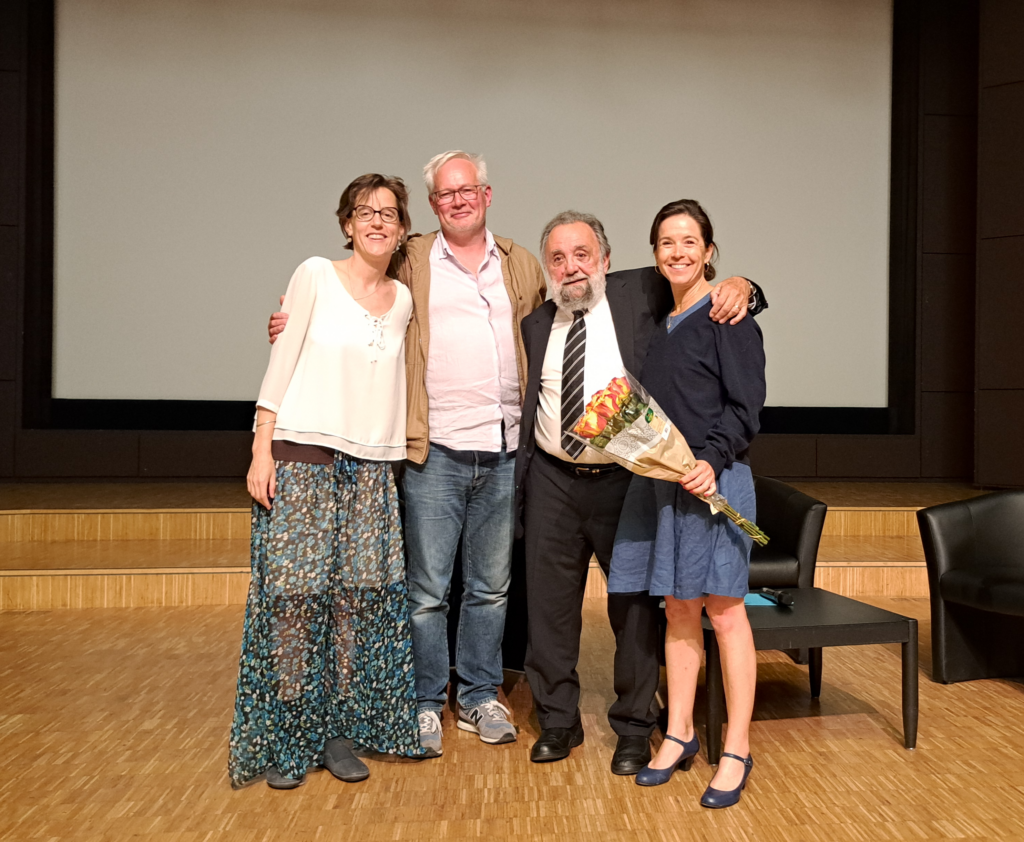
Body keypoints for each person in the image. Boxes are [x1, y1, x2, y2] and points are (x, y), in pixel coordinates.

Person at [270, 151, 547, 755]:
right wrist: (290, 324)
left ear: (487, 194)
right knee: (426, 590)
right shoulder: (412, 257)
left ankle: (478, 695)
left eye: (467, 189)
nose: (458, 200)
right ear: (431, 206)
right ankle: (424, 701)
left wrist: (743, 287)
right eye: (445, 194)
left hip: (502, 450)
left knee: (491, 587)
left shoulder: (521, 263)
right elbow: (351, 290)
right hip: (433, 451)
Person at [515, 211, 764, 774]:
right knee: (549, 609)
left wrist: (746, 285)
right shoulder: (536, 324)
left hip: (627, 479)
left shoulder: (637, 297)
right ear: (547, 269)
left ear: (605, 259)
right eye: (557, 258)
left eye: (582, 254)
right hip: (553, 479)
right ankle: (557, 720)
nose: (570, 267)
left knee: (633, 608)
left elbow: (712, 288)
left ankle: (635, 726)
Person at [229, 174, 422, 790]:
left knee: (353, 602)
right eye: (365, 212)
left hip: (371, 469)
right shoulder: (313, 274)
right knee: (293, 600)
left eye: (389, 213)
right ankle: (291, 734)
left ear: (400, 229)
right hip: (303, 458)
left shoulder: (405, 300)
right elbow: (280, 361)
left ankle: (337, 732)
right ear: (346, 223)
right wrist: (262, 448)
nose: (376, 222)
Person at [609, 200, 766, 808]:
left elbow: (745, 406)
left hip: (713, 481)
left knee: (726, 617)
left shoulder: (729, 316)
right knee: (677, 612)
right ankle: (678, 733)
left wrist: (713, 459)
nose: (677, 252)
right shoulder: (662, 319)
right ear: (655, 254)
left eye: (689, 241)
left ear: (708, 250)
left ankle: (737, 750)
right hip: (663, 485)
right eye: (666, 243)